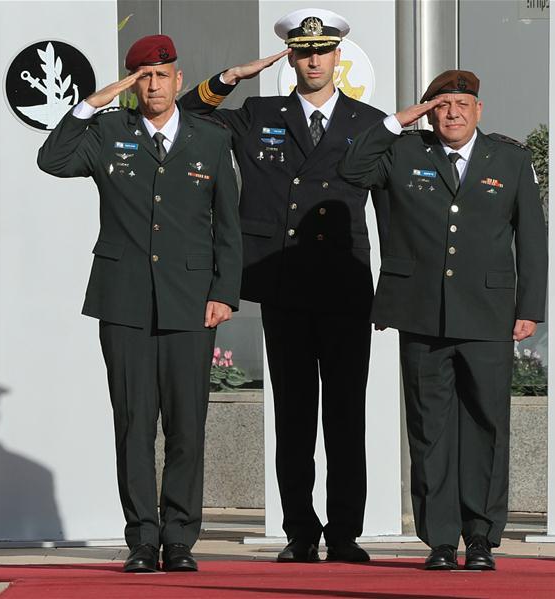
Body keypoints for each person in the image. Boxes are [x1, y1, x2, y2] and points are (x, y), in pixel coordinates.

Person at [179, 8, 387, 563]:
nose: (313, 59)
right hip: (284, 282)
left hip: (343, 288)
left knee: (346, 414)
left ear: (337, 57)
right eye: (303, 50)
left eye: (322, 50)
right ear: (290, 57)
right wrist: (229, 78)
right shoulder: (257, 113)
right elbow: (184, 117)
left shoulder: (370, 123)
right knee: (294, 416)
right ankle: (300, 530)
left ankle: (344, 531)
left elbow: (394, 207)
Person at [37, 34, 242, 573]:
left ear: (179, 79)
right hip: (124, 300)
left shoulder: (211, 139)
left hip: (193, 302)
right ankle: (143, 539)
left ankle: (179, 538)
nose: (154, 84)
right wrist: (91, 104)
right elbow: (51, 159)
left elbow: (228, 224)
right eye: (143, 76)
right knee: (133, 422)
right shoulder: (108, 132)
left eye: (163, 74)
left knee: (186, 423)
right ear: (133, 83)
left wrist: (225, 293)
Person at [339, 70, 548, 571]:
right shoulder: (403, 151)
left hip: (487, 313)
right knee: (429, 429)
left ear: (479, 110)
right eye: (441, 105)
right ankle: (439, 539)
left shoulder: (511, 158)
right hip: (420, 311)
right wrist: (397, 121)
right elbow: (351, 169)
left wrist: (529, 308)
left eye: (460, 104)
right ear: (428, 110)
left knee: (486, 425)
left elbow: (532, 239)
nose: (451, 113)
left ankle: (480, 537)